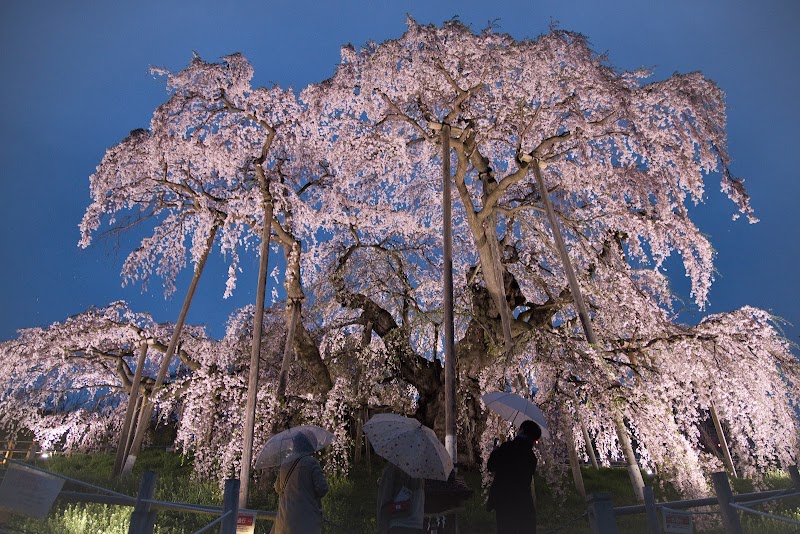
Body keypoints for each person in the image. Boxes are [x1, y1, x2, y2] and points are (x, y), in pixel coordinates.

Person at [486, 420, 542, 534]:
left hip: (504, 501)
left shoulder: (507, 447)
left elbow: (491, 466)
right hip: (523, 503)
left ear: (521, 430)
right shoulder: (531, 458)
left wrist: (496, 450)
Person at [270, 432, 329, 534]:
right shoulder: (311, 462)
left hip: (285, 519)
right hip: (306, 521)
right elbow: (322, 488)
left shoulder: (285, 463)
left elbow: (278, 488)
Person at [377, 461, 425, 533]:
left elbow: (384, 499)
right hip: (417, 526)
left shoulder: (393, 467)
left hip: (397, 525)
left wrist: (382, 528)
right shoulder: (420, 471)